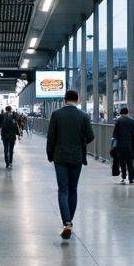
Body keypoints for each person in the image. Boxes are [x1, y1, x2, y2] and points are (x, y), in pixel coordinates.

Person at [46, 89, 94, 240]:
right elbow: (90, 135)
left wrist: (50, 154)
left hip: (60, 157)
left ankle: (67, 221)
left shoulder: (57, 114)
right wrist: (80, 144)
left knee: (63, 190)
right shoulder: (83, 115)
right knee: (73, 189)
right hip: (76, 157)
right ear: (77, 100)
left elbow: (51, 137)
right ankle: (69, 222)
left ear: (65, 100)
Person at [112, 105, 134, 184]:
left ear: (121, 114)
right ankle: (131, 179)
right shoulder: (133, 122)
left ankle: (123, 176)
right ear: (127, 113)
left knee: (122, 161)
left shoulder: (118, 121)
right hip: (130, 146)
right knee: (130, 162)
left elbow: (115, 134)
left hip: (120, 145)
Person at [0, 104, 22, 169]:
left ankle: (7, 163)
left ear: (5, 109)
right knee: (11, 150)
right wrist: (18, 134)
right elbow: (18, 124)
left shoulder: (2, 116)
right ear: (11, 109)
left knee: (6, 149)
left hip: (4, 135)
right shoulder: (13, 116)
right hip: (12, 135)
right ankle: (10, 162)